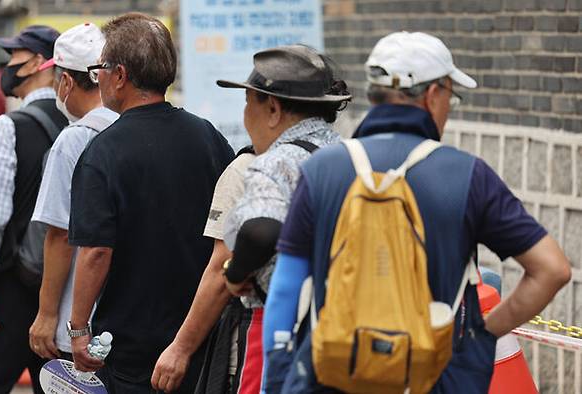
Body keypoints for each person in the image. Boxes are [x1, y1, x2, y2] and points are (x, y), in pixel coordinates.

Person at [263, 31, 571, 393]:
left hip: (332, 375)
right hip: (437, 376)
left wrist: (279, 375)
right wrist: (479, 335)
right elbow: (552, 269)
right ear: (433, 94)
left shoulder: (321, 171)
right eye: (450, 97)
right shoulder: (467, 175)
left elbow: (285, 290)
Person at [66, 12, 234, 393]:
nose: (99, 77)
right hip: (200, 338)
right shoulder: (208, 138)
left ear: (120, 75)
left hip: (130, 348)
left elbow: (95, 252)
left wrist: (78, 330)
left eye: (101, 69)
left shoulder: (103, 152)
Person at [216, 45, 351, 393]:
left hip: (281, 326)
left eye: (249, 102)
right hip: (343, 324)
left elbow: (261, 230)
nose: (246, 114)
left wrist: (235, 272)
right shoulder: (347, 155)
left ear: (273, 108)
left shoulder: (277, 162)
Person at [0, 25, 67, 394]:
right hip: (60, 289)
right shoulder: (76, 125)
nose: (8, 67)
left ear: (39, 62)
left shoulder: (10, 126)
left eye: (15, 58)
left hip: (9, 287)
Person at [27, 23, 118, 361]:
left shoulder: (73, 139)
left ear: (65, 81)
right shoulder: (133, 126)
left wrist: (47, 314)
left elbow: (60, 234)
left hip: (80, 322)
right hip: (130, 312)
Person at [152, 146, 255, 394]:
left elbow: (223, 267)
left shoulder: (248, 168)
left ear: (271, 108)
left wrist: (181, 348)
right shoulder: (342, 158)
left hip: (253, 348)